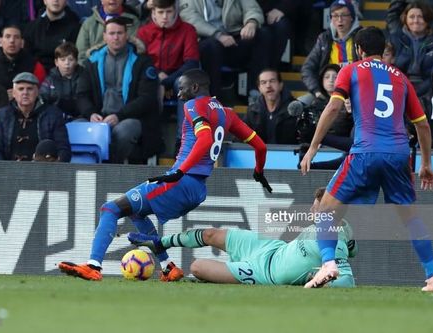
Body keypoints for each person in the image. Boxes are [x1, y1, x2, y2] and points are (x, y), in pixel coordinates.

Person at [58, 68, 273, 282]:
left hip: (180, 181)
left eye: (181, 89)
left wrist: (180, 171)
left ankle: (93, 266)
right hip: (198, 189)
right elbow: (260, 146)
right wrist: (258, 171)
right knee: (136, 212)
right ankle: (168, 267)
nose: (178, 95)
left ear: (195, 87)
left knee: (111, 209)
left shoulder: (194, 105)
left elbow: (205, 139)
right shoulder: (227, 113)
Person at [300, 27, 433, 292]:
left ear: (359, 50)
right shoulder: (402, 78)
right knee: (411, 218)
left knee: (325, 210)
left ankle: (329, 263)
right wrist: (426, 164)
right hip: (399, 155)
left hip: (366, 151)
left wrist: (313, 147)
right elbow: (423, 126)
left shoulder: (352, 69)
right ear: (383, 50)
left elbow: (333, 107)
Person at [128, 187, 357, 286]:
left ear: (331, 209)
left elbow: (346, 279)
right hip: (271, 247)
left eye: (316, 209)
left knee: (197, 267)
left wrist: (318, 282)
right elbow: (352, 248)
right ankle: (160, 243)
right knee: (210, 233)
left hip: (264, 273)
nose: (311, 212)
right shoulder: (343, 227)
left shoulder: (333, 240)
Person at [76, 16, 163, 163]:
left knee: (122, 131)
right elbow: (81, 95)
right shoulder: (91, 63)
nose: (116, 37)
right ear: (104, 36)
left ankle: (112, 170)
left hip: (130, 117)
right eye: (111, 33)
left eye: (120, 33)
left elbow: (146, 98)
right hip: (99, 116)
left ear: (126, 35)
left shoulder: (142, 62)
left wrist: (119, 116)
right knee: (75, 127)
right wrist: (91, 113)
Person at [179, 0, 273, 100]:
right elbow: (191, 19)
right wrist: (217, 35)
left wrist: (251, 22)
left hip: (234, 36)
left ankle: (255, 91)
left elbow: (252, 7)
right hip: (207, 39)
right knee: (211, 46)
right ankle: (214, 99)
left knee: (263, 34)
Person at [136, 0, 199, 142]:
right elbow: (140, 63)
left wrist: (166, 82)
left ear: (175, 11)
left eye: (169, 12)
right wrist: (158, 76)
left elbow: (191, 63)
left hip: (177, 77)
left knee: (186, 84)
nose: (165, 16)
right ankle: (149, 140)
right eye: (160, 12)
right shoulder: (143, 32)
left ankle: (183, 141)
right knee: (145, 84)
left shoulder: (187, 30)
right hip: (152, 77)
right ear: (153, 13)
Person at [0, 72, 71, 161]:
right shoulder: (3, 115)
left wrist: (52, 166)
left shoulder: (53, 114)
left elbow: (63, 149)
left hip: (42, 171)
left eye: (29, 89)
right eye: (21, 89)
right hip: (8, 171)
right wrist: (1, 171)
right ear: (14, 93)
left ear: (37, 92)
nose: (25, 93)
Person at [389, 1, 433, 96]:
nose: (416, 21)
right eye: (412, 17)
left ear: (428, 18)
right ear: (405, 19)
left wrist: (417, 92)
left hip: (430, 90)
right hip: (400, 88)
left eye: (420, 17)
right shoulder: (396, 39)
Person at [301, 0, 362, 100]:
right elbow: (307, 69)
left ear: (352, 17)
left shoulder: (362, 37)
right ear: (331, 19)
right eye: (335, 15)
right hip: (329, 94)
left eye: (344, 15)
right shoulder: (324, 38)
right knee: (301, 102)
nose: (339, 19)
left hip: (355, 93)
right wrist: (317, 90)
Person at [0, 25, 47, 100]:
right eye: (7, 36)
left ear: (22, 43)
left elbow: (41, 92)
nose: (12, 40)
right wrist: (1, 96)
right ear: (0, 42)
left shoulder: (35, 65)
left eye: (16, 37)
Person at [23, 0, 81, 72]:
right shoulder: (32, 28)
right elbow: (26, 59)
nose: (56, 0)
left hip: (64, 77)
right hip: (36, 76)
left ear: (66, 1)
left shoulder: (75, 28)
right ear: (45, 1)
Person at [76, 0, 141, 64]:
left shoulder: (133, 21)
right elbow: (81, 56)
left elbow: (135, 51)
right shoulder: (89, 23)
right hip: (92, 70)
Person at [245, 68, 298, 144]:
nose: (268, 85)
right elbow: (239, 138)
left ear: (280, 85)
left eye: (272, 81)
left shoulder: (295, 109)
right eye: (263, 82)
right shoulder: (252, 111)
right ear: (259, 88)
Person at [40, 42, 84, 121]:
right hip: (55, 118)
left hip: (79, 118)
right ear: (56, 62)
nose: (67, 63)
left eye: (70, 59)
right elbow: (42, 99)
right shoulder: (50, 80)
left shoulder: (84, 77)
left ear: (76, 61)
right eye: (63, 60)